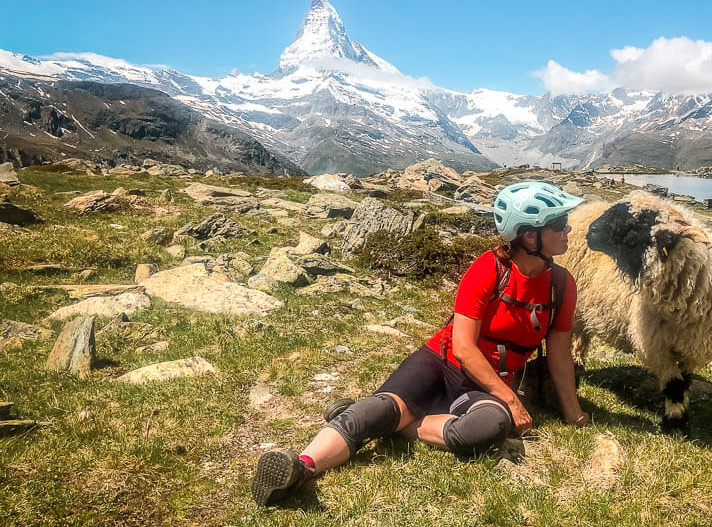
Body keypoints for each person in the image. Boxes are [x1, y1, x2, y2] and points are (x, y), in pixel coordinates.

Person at [251, 181, 590, 506]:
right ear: (529, 235)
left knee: (488, 429)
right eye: (559, 223)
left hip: (484, 386)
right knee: (381, 409)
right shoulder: (488, 268)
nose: (567, 230)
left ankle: (395, 425)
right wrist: (512, 401)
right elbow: (463, 348)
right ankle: (301, 467)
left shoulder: (560, 284)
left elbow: (560, 355)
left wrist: (574, 416)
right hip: (441, 362)